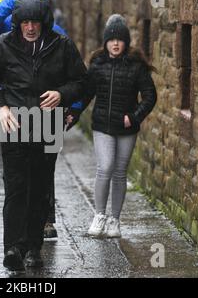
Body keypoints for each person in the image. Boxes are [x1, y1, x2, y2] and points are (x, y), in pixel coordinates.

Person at [0, 0, 87, 271]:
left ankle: (33, 247)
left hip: (47, 127)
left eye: (34, 22)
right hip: (15, 126)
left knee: (38, 190)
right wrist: (0, 107)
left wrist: (62, 94)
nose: (30, 28)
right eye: (25, 22)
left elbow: (83, 82)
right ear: (17, 23)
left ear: (44, 22)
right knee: (15, 189)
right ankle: (13, 247)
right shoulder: (2, 46)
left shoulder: (62, 47)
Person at [0, 0, 68, 239]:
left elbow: (70, 70)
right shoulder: (9, 25)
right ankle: (17, 225)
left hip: (43, 110)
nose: (30, 26)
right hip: (9, 105)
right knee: (15, 170)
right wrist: (16, 1)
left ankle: (44, 220)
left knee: (43, 168)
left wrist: (70, 106)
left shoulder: (54, 33)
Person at [66, 14, 157, 238]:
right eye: (111, 40)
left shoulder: (136, 66)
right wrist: (74, 113)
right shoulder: (97, 64)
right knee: (105, 167)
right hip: (102, 126)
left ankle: (115, 220)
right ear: (105, 42)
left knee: (119, 172)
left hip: (126, 127)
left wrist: (134, 117)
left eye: (120, 40)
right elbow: (86, 93)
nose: (115, 44)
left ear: (125, 42)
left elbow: (149, 96)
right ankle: (99, 215)